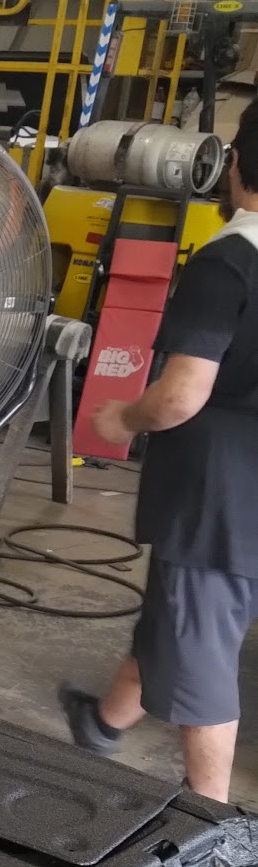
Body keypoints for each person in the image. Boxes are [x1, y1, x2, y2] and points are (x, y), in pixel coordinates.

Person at [60, 104, 258, 805]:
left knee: (201, 664)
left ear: (235, 164)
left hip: (218, 505)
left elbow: (180, 396)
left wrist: (120, 417)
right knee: (173, 622)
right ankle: (102, 723)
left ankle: (211, 825)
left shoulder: (229, 264)